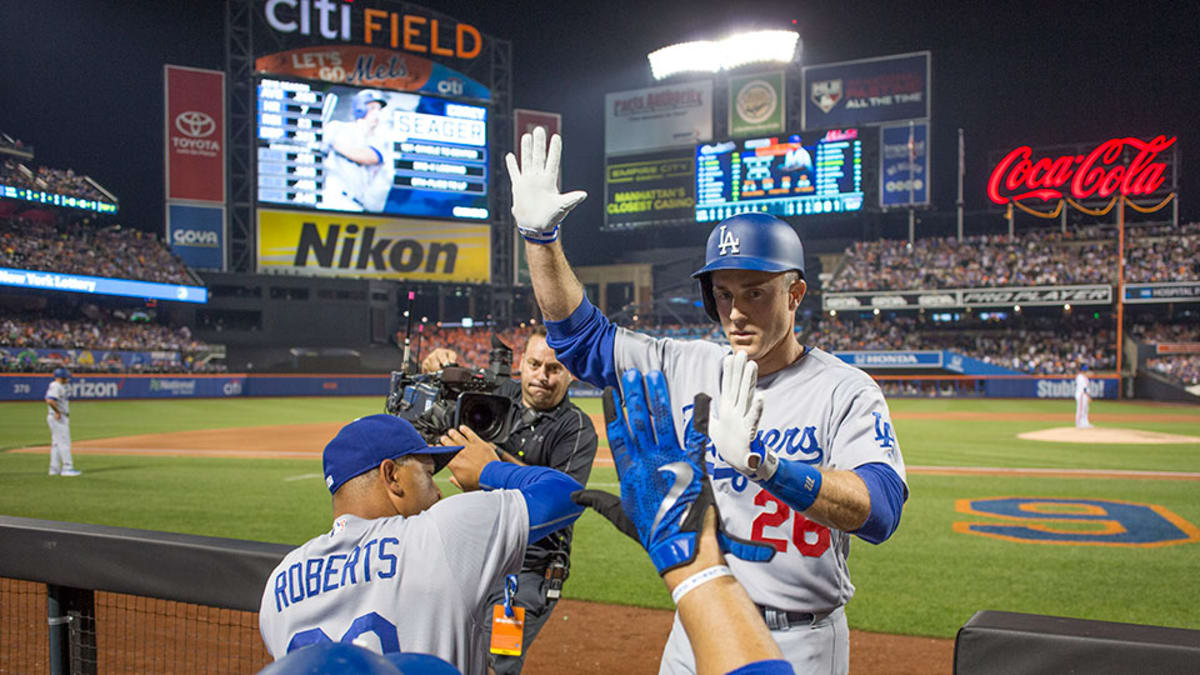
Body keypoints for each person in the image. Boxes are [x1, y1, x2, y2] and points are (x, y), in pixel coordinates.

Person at [506, 127, 908, 674]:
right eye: (723, 293)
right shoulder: (686, 365)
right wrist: (540, 238)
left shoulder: (844, 389)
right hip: (698, 615)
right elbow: (580, 341)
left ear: (795, 294)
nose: (736, 311)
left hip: (799, 638)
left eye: (755, 292)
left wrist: (766, 465)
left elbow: (880, 510)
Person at [257, 414, 584, 675]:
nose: (439, 492)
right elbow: (565, 494)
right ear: (392, 476)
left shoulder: (279, 583)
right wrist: (490, 468)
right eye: (427, 475)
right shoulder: (442, 531)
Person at [422, 326, 599, 674]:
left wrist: (489, 464)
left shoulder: (576, 428)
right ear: (521, 362)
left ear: (569, 374)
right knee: (448, 651)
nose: (542, 377)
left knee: (496, 663)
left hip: (527, 570)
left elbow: (564, 500)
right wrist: (439, 365)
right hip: (472, 554)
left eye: (554, 369)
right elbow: (446, 400)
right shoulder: (496, 397)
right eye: (534, 364)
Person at [322, 89, 394, 212]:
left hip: (357, 204)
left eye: (379, 109)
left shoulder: (380, 141)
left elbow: (368, 157)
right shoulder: (336, 127)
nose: (377, 113)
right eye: (372, 108)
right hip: (333, 197)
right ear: (360, 108)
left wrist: (334, 145)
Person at [45, 367, 79, 476]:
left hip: (56, 417)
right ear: (61, 377)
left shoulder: (58, 386)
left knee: (56, 444)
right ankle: (67, 468)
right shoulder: (56, 386)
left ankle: (54, 469)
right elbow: (50, 400)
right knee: (64, 443)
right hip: (58, 418)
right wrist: (58, 412)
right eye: (66, 377)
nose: (68, 379)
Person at [1075, 364, 1092, 429]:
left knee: (1085, 409)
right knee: (1080, 410)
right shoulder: (1080, 377)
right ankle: (1078, 424)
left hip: (1084, 395)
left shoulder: (1084, 376)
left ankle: (1085, 423)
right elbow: (1084, 388)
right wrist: (1088, 396)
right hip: (1081, 395)